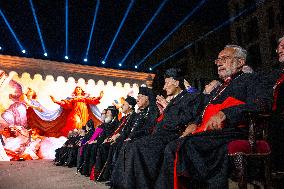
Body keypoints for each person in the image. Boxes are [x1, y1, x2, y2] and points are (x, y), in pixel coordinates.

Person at [156, 45, 271, 189]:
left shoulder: (252, 79)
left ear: (241, 62)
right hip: (211, 132)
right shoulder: (219, 88)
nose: (219, 63)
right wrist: (194, 123)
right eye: (218, 60)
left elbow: (261, 105)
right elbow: (204, 112)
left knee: (185, 146)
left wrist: (226, 113)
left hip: (235, 130)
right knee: (175, 145)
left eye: (225, 58)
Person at [111, 68, 202, 189]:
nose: (164, 87)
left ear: (176, 82)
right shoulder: (175, 99)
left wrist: (167, 107)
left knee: (137, 147)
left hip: (173, 135)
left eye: (167, 83)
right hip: (158, 135)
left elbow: (183, 120)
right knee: (130, 145)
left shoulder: (190, 97)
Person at [95, 96, 137, 181]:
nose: (121, 106)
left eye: (124, 105)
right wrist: (110, 138)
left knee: (112, 146)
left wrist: (116, 137)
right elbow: (117, 131)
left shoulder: (133, 117)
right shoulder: (124, 118)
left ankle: (109, 175)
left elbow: (127, 131)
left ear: (130, 106)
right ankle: (100, 174)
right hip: (116, 138)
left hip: (124, 140)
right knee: (102, 146)